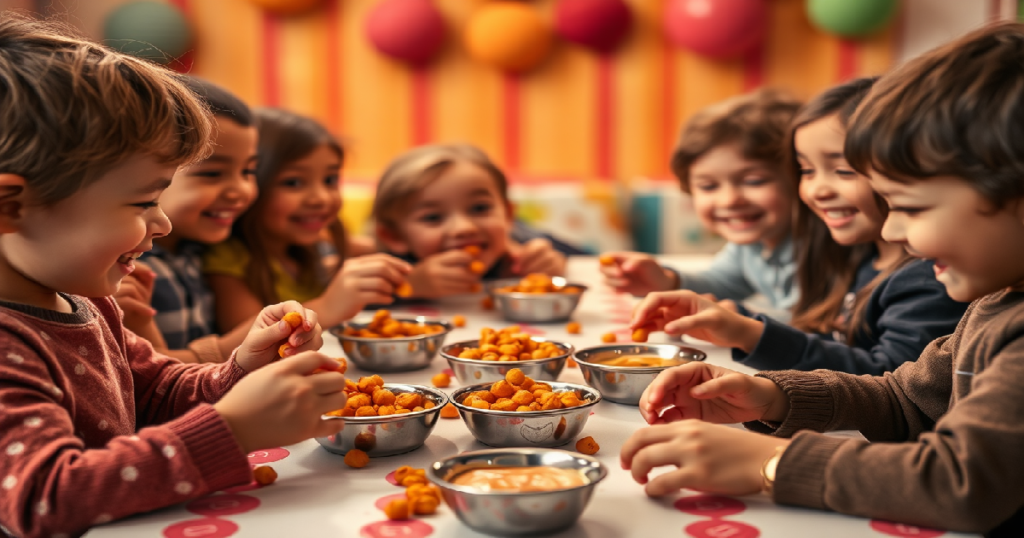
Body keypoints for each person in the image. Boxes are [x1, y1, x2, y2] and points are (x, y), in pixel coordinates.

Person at [620, 22, 1024, 536]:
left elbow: (961, 482)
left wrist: (772, 464)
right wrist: (770, 395)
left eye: (912, 208)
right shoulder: (997, 302)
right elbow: (907, 399)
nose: (896, 230)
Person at [0, 17, 346, 537]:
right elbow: (45, 499)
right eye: (142, 202)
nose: (161, 223)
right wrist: (232, 429)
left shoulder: (83, 300)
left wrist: (240, 372)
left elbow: (156, 394)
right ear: (11, 205)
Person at [629, 78, 966, 375]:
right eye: (806, 171)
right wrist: (738, 320)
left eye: (844, 170)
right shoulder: (864, 257)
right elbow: (834, 341)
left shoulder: (926, 275)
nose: (818, 189)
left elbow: (894, 383)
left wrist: (750, 333)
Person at [600, 89, 802, 319]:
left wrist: (742, 319)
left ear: (802, 176)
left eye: (753, 181)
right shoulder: (751, 244)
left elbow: (816, 328)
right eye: (708, 186)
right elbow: (721, 283)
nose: (729, 200)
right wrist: (667, 281)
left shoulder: (820, 248)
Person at [204, 108, 408, 332]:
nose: (321, 198)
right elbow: (249, 344)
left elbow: (380, 250)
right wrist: (328, 306)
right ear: (252, 183)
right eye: (293, 183)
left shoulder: (315, 242)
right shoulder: (228, 259)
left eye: (330, 179)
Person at [114, 76, 258, 363]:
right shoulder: (121, 269)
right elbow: (151, 378)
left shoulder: (195, 251)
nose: (240, 190)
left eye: (249, 171)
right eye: (212, 173)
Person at [371, 143, 567, 299]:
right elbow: (348, 292)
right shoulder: (387, 266)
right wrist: (409, 285)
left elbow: (583, 259)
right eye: (433, 217)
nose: (464, 228)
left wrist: (552, 263)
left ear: (507, 215)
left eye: (480, 208)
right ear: (394, 236)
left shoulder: (520, 240)